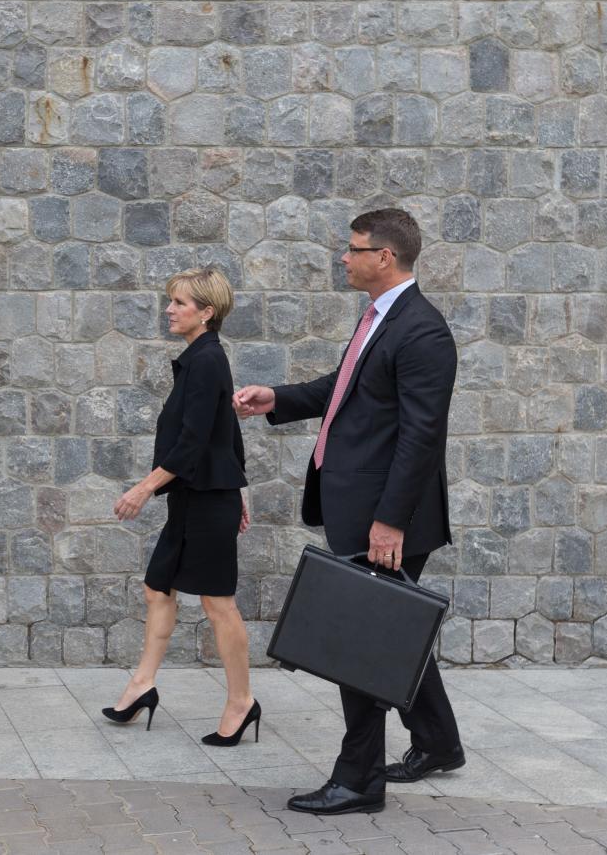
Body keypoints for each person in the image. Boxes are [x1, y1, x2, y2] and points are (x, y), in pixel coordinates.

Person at [233, 208, 464, 814]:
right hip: (363, 506)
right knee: (391, 626)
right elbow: (344, 390)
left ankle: (359, 780)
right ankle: (438, 742)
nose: (345, 257)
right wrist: (276, 398)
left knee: (362, 641)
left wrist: (388, 520)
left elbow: (422, 436)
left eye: (353, 248)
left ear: (384, 257)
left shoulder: (423, 332)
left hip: (383, 516)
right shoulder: (380, 318)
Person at [102, 267, 258, 746]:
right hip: (196, 498)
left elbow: (192, 442)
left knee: (217, 604)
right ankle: (142, 684)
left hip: (209, 501)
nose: (169, 310)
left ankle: (242, 702)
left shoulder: (208, 359)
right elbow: (225, 431)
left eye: (180, 303)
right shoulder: (198, 358)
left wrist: (142, 489)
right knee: (157, 588)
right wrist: (241, 487)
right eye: (171, 302)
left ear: (206, 312)